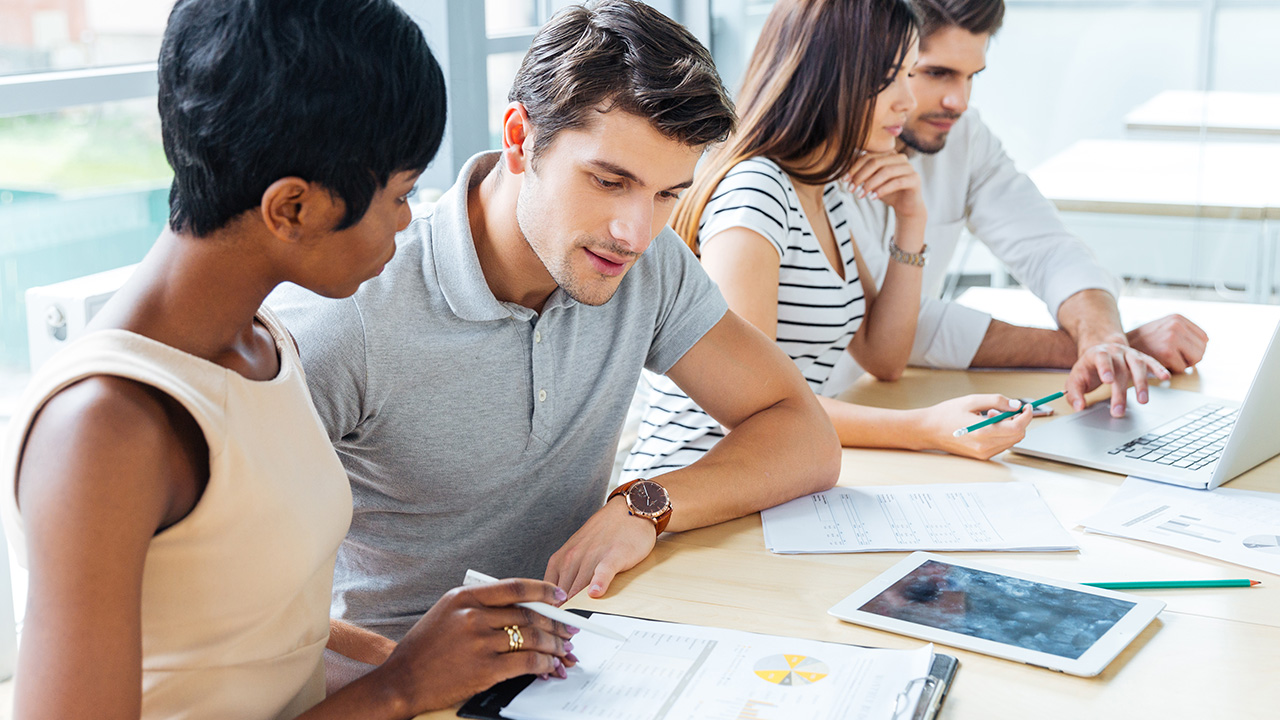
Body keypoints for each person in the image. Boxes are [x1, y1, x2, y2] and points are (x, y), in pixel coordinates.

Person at [0, 1, 579, 717]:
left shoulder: (262, 341)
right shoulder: (104, 429)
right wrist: (401, 686)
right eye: (398, 196)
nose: (408, 220)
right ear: (292, 209)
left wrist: (419, 657)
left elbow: (256, 630)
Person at [270, 0, 840, 671]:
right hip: (399, 681)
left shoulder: (646, 265)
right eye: (608, 180)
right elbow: (222, 587)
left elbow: (803, 434)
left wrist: (645, 506)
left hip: (573, 650)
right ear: (520, 137)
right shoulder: (350, 312)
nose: (636, 231)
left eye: (666, 195)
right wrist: (398, 667)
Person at [625, 0, 1033, 477]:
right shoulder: (757, 194)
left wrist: (911, 219)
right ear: (833, 75)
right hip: (688, 489)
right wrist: (925, 428)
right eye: (893, 76)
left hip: (769, 481)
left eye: (909, 75)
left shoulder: (820, 190)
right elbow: (747, 406)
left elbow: (883, 357)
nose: (907, 100)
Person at [845, 0, 1208, 418]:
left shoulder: (963, 137)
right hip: (838, 419)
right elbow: (900, 327)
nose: (958, 101)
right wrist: (1118, 345)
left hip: (891, 407)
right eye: (935, 72)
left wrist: (1104, 342)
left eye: (970, 77)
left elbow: (1049, 249)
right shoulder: (811, 168)